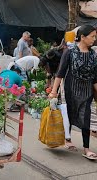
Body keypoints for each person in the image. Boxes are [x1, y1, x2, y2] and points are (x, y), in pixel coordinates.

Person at [49, 25, 97, 160]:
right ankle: (67, 139)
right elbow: (60, 73)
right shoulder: (70, 52)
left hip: (87, 92)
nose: (94, 39)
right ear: (83, 37)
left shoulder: (93, 54)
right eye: (92, 36)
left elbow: (95, 77)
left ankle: (86, 149)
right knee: (69, 114)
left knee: (86, 118)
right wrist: (53, 91)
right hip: (71, 90)